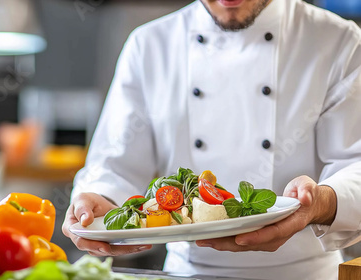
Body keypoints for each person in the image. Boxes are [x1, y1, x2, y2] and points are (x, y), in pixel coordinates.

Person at [62, 0, 361, 279]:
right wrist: (96, 202)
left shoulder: (338, 41)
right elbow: (114, 166)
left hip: (304, 273)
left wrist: (321, 201)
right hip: (187, 272)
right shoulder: (149, 45)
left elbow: (356, 165)